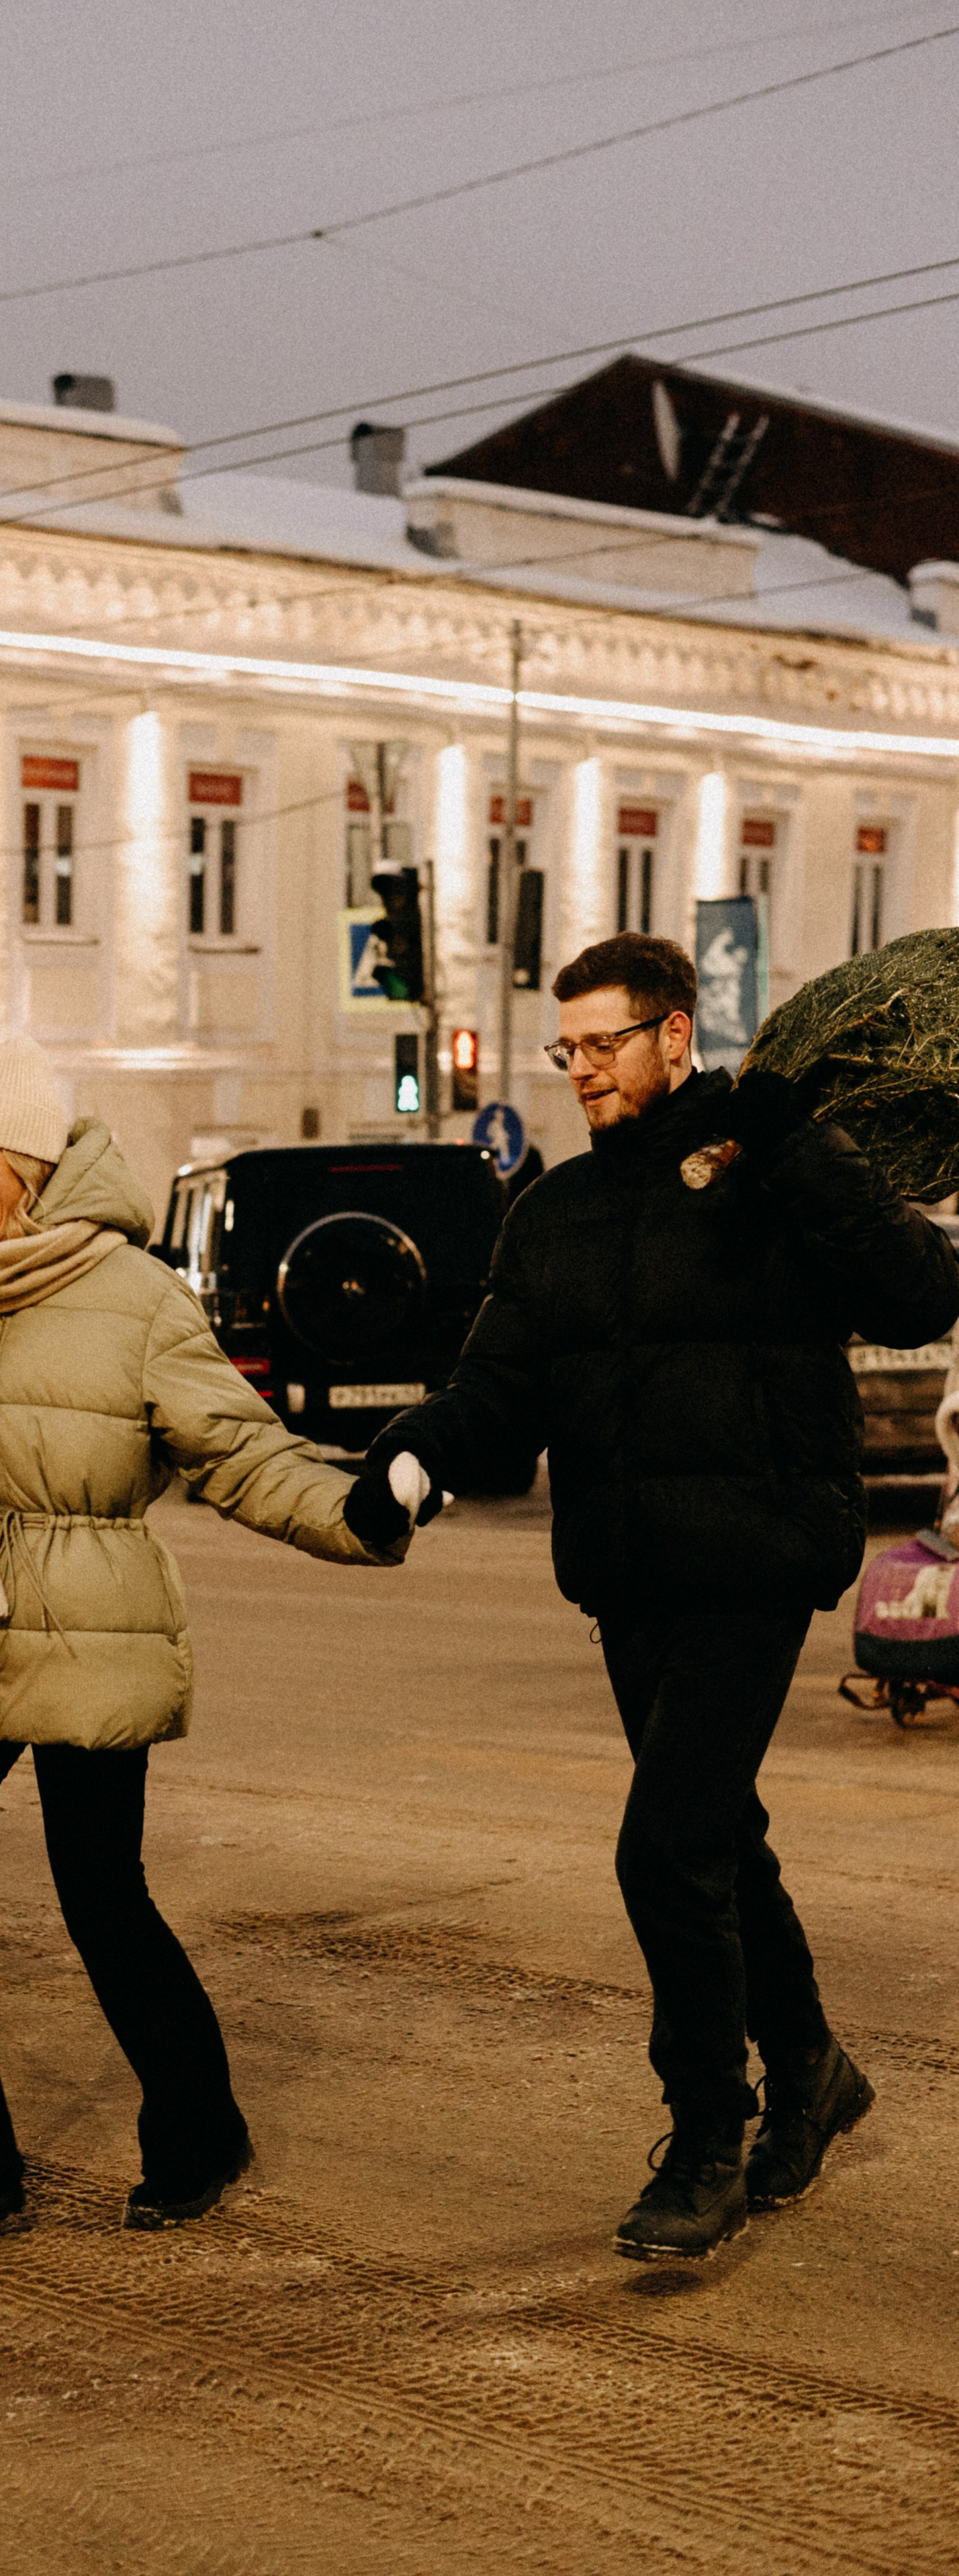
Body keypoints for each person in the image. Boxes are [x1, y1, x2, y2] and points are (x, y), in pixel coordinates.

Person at [345, 932, 959, 2264]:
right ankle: (809, 2070)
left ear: (674, 1034)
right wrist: (409, 1455)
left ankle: (703, 2138)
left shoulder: (763, 1170)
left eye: (601, 1044)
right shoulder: (553, 1211)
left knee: (661, 1848)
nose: (578, 1070)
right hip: (629, 1571)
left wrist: (798, 1149)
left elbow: (919, 1291)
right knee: (719, 1842)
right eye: (562, 1049)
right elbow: (498, 1389)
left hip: (754, 1555)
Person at [0, 1036, 411, 2260]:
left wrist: (356, 1510)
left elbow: (236, 1451)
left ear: (30, 1161)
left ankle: (201, 2129)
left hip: (88, 1620)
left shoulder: (133, 1297)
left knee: (102, 1899)